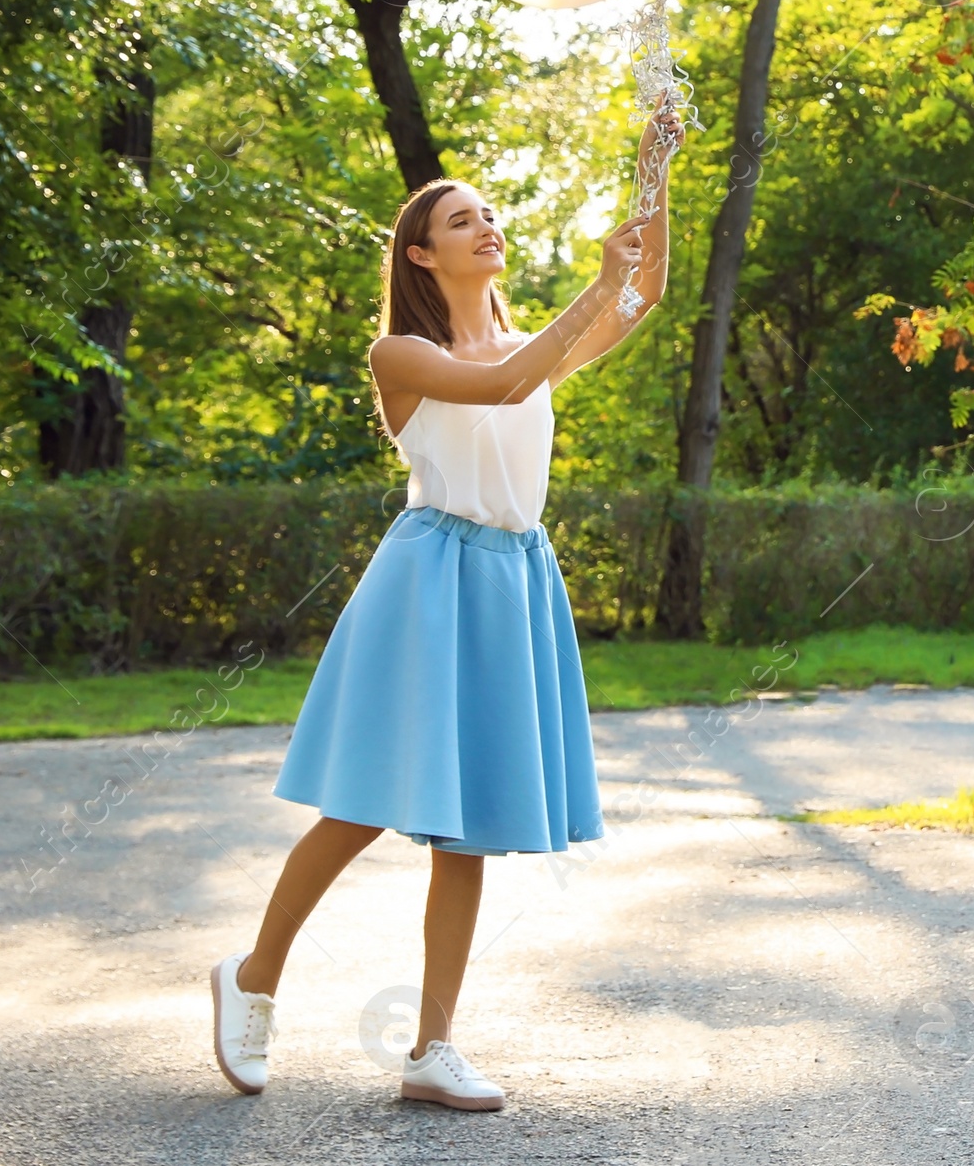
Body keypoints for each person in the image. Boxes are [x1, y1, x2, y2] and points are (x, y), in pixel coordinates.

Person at [208, 105, 680, 1113]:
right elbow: (503, 386)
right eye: (462, 220)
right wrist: (597, 282)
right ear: (422, 254)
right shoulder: (401, 355)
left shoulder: (528, 340)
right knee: (365, 806)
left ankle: (432, 1046)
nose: (487, 226)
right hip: (429, 578)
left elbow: (646, 290)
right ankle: (252, 979)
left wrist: (657, 166)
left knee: (465, 827)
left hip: (512, 575)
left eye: (488, 214)